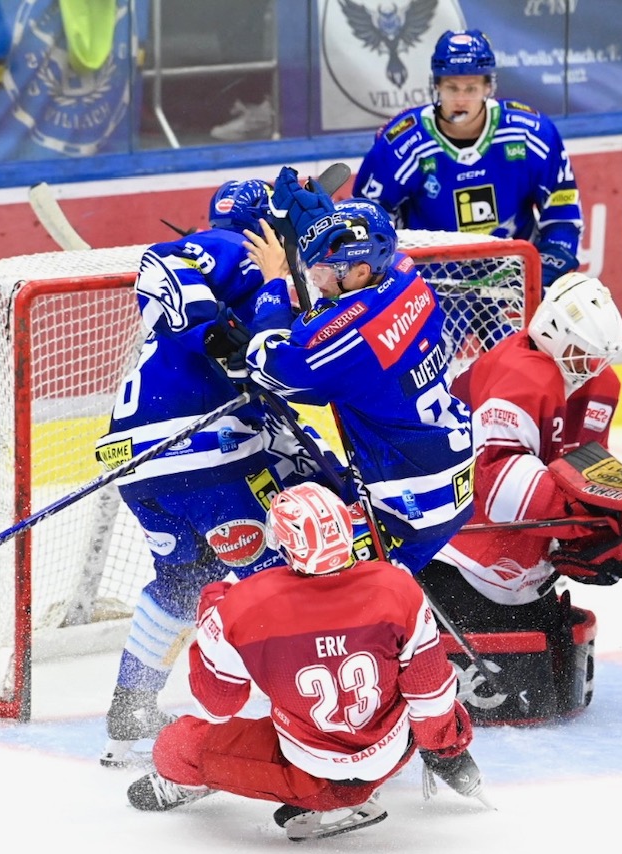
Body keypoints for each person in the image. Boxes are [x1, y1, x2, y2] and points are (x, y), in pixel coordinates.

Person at [125, 482, 486, 842]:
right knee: (421, 683)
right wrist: (445, 749)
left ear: (282, 542)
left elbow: (218, 706)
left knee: (177, 747)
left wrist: (210, 622)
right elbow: (431, 695)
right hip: (397, 748)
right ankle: (448, 761)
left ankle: (335, 801)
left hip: (315, 775)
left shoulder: (243, 606)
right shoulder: (399, 588)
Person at [94, 178, 307, 769]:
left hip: (138, 460)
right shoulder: (231, 249)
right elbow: (172, 264)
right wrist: (231, 314)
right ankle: (311, 715)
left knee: (182, 581)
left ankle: (130, 712)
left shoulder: (247, 273)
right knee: (275, 576)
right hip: (204, 451)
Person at [422, 272, 622, 724]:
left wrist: (608, 518)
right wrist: (582, 523)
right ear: (552, 332)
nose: (593, 368)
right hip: (458, 544)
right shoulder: (519, 375)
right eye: (584, 354)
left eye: (601, 358)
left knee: (546, 662)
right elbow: (500, 485)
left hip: (517, 553)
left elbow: (584, 470)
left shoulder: (599, 383)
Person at [240, 168, 476, 575]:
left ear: (360, 272)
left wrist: (273, 283)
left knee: (309, 563)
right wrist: (322, 224)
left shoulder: (354, 335)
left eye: (326, 274)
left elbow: (271, 366)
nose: (319, 282)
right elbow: (354, 271)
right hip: (450, 474)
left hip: (409, 508)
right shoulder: (405, 274)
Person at [351, 29, 583, 288]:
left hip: (514, 282)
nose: (460, 99)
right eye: (451, 87)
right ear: (436, 85)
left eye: (471, 88)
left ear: (488, 87)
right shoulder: (401, 144)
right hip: (430, 284)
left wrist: (545, 274)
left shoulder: (531, 134)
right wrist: (394, 280)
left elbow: (562, 211)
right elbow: (370, 220)